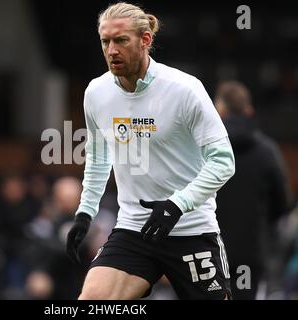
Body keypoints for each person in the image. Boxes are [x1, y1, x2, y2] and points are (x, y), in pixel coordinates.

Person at [66, 2, 235, 300]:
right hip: (134, 229)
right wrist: (85, 212)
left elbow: (223, 162)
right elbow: (98, 156)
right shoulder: (96, 92)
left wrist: (177, 204)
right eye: (106, 41)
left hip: (190, 230)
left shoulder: (185, 89)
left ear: (145, 40)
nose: (112, 50)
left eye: (121, 40)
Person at [214, 81, 292, 299]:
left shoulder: (203, 150)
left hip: (209, 253)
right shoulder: (267, 151)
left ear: (220, 111)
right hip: (250, 254)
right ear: (249, 111)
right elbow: (283, 204)